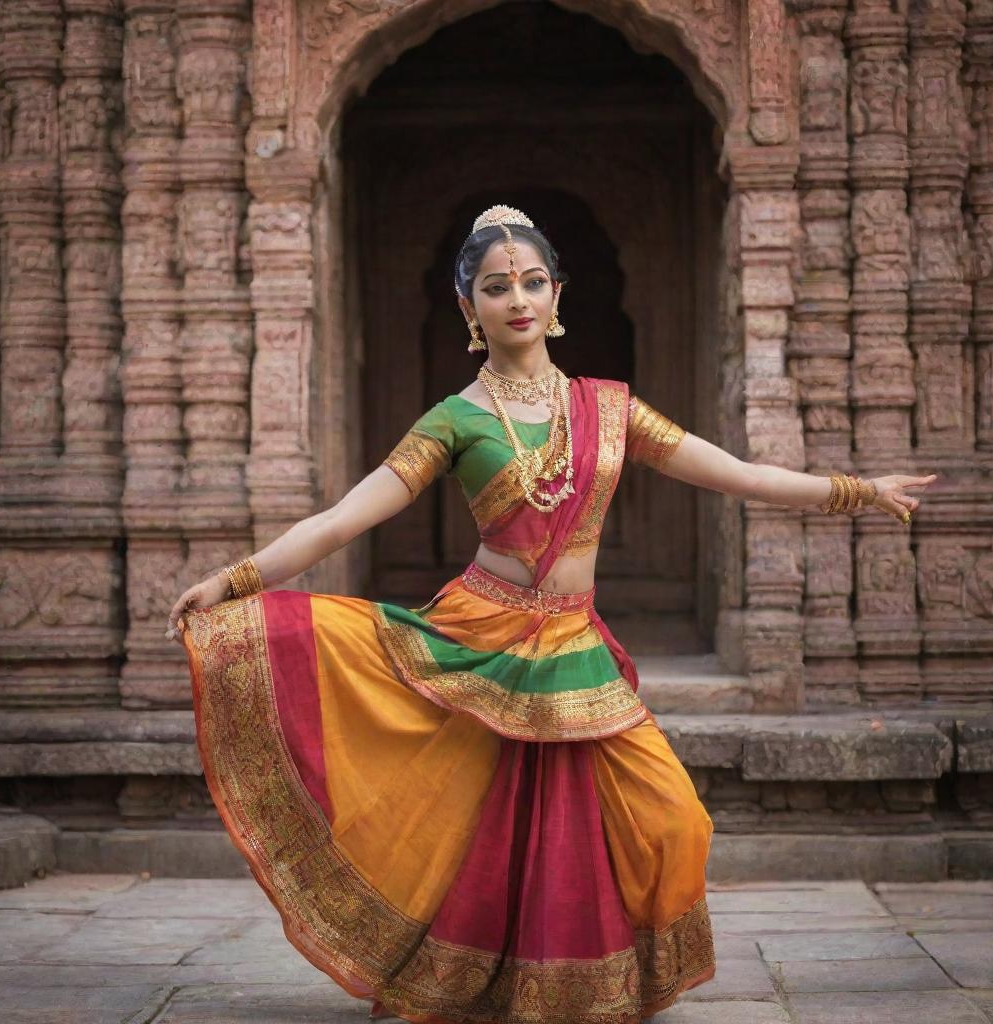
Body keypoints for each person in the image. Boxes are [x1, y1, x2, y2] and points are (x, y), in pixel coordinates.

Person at [168, 204, 937, 1024]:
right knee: (487, 831)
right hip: (481, 636)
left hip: (572, 638)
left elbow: (737, 473)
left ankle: (595, 977)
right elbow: (342, 519)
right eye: (496, 287)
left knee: (674, 820)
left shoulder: (608, 409)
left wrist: (855, 492)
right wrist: (235, 579)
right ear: (469, 308)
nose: (517, 299)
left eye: (532, 281)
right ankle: (494, 982)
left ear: (557, 293)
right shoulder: (456, 420)